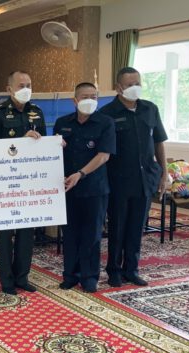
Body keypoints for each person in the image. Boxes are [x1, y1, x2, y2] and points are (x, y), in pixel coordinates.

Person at [100, 67, 168, 287]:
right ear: (118, 87)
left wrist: (164, 173)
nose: (134, 87)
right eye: (129, 84)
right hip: (118, 180)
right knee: (117, 227)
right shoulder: (107, 113)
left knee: (137, 227)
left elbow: (158, 142)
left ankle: (132, 269)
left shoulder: (150, 109)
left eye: (137, 83)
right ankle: (114, 270)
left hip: (144, 179)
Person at [0, 71, 46, 295]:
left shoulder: (37, 111)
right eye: (21, 85)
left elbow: (43, 146)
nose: (26, 89)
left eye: (29, 84)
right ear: (9, 88)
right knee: (5, 234)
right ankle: (7, 280)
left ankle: (22, 276)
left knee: (26, 232)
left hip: (29, 181)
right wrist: (21, 143)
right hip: (5, 180)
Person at [55, 82, 116, 293]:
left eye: (94, 97)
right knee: (70, 233)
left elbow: (104, 155)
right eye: (85, 97)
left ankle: (89, 277)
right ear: (75, 100)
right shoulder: (62, 123)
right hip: (67, 188)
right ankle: (70, 275)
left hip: (94, 188)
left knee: (91, 235)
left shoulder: (105, 123)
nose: (90, 100)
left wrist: (80, 174)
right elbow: (53, 153)